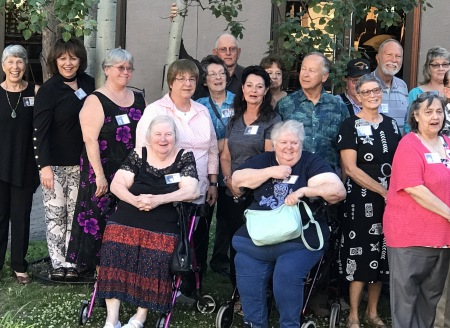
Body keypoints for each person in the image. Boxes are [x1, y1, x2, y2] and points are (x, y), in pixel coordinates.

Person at [231, 120, 346, 328]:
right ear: (274, 144)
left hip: (298, 239)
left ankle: (290, 324)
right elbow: (236, 179)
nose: (289, 147)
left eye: (294, 142)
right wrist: (269, 172)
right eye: (283, 142)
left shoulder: (311, 163)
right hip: (259, 236)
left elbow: (337, 191)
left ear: (301, 144)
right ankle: (255, 324)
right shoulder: (264, 160)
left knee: (287, 273)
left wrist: (305, 191)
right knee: (246, 267)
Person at [98, 115, 200, 328]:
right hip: (129, 213)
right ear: (149, 137)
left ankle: (139, 317)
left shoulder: (184, 157)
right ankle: (112, 319)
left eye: (168, 134)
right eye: (158, 134)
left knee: (155, 254)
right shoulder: (139, 154)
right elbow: (117, 185)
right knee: (113, 246)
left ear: (175, 137)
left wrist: (158, 200)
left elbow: (192, 190)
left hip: (164, 219)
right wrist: (135, 201)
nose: (163, 139)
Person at [135, 59, 219, 301]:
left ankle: (192, 285)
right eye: (181, 78)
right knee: (170, 236)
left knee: (197, 237)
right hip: (168, 189)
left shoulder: (202, 111)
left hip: (200, 187)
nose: (187, 83)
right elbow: (142, 148)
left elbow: (213, 149)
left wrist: (213, 182)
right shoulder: (156, 111)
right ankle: (163, 284)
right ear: (171, 82)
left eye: (192, 79)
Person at [66, 48, 146, 274]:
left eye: (129, 68)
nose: (126, 72)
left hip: (132, 172)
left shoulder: (139, 98)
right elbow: (90, 140)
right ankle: (102, 274)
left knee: (127, 220)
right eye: (121, 68)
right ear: (107, 70)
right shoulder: (96, 100)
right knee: (101, 222)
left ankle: (125, 269)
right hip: (102, 172)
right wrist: (100, 176)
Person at [337, 74, 401, 328]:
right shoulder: (349, 125)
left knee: (382, 253)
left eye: (376, 90)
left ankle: (372, 312)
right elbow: (350, 169)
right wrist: (383, 191)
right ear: (358, 96)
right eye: (366, 91)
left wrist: (393, 192)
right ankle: (353, 313)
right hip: (361, 199)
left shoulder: (393, 125)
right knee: (360, 253)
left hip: (392, 199)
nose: (373, 94)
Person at [383, 92, 450, 328]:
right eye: (428, 111)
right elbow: (414, 188)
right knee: (406, 302)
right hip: (410, 237)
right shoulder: (409, 144)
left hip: (443, 239)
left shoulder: (448, 143)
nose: (435, 117)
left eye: (439, 111)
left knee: (430, 300)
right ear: (416, 115)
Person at [33, 37, 95, 281]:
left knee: (76, 215)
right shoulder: (49, 90)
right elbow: (39, 131)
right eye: (62, 58)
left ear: (81, 60)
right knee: (55, 215)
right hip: (55, 166)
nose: (68, 63)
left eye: (73, 58)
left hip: (82, 164)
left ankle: (74, 262)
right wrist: (44, 166)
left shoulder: (89, 84)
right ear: (54, 61)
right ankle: (58, 263)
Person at [220, 66, 281, 295]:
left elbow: (269, 159)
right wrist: (229, 181)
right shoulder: (234, 119)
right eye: (249, 85)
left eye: (259, 86)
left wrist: (247, 183)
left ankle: (260, 293)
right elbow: (225, 155)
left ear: (266, 91)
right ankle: (237, 292)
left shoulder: (272, 120)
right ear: (242, 89)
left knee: (257, 245)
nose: (254, 90)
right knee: (236, 245)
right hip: (232, 192)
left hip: (259, 194)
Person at [0, 45, 40, 284]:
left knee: (21, 217)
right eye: (10, 62)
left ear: (25, 65)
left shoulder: (36, 92)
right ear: (3, 65)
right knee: (0, 218)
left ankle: (19, 265)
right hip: (0, 165)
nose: (15, 67)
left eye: (20, 62)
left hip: (25, 166)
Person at [275, 51, 349, 173]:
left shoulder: (338, 106)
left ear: (324, 76)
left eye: (312, 71)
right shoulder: (285, 105)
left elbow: (346, 148)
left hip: (328, 177)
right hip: (294, 176)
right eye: (303, 69)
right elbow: (275, 144)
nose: (305, 74)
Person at [196, 55, 235, 276]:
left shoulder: (239, 101)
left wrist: (222, 144)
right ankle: (197, 262)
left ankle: (221, 260)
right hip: (206, 171)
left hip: (231, 169)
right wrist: (217, 144)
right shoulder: (199, 106)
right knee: (204, 217)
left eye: (221, 73)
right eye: (212, 74)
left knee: (227, 218)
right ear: (205, 80)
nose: (217, 77)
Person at [404, 47, 450, 133]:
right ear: (428, 68)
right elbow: (409, 126)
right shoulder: (416, 93)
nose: (441, 68)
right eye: (436, 65)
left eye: (445, 64)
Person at [370, 39, 408, 133]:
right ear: (378, 58)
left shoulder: (402, 85)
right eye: (389, 55)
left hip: (399, 146)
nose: (394, 60)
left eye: (398, 56)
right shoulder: (366, 83)